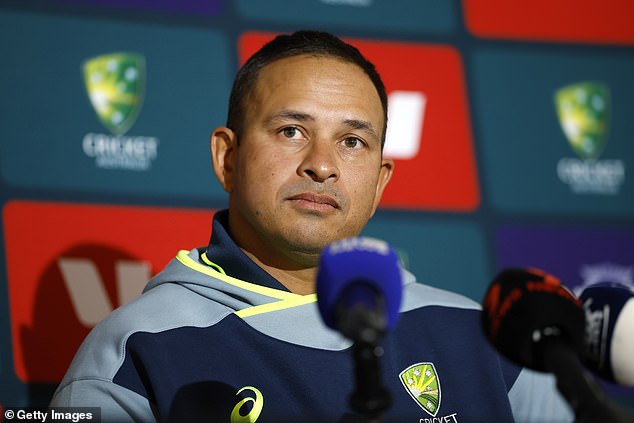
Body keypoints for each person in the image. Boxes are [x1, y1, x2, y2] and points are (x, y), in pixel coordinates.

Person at [50, 30, 573, 422]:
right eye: (291, 131)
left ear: (380, 183)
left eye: (352, 142)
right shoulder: (135, 351)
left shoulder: (483, 336)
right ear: (227, 158)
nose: (321, 165)